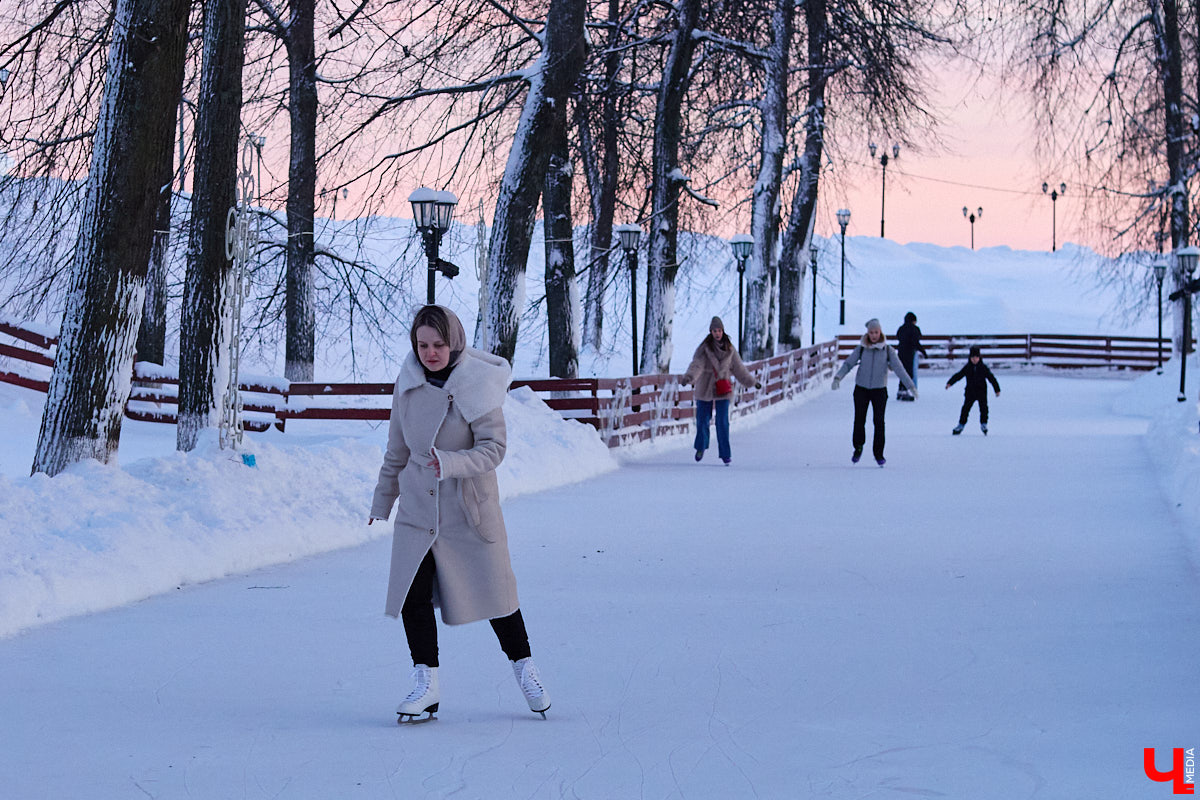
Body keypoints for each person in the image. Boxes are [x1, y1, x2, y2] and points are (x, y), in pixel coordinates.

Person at [369, 305, 550, 723]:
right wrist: (383, 501)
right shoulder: (408, 383)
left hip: (468, 508)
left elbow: (494, 449)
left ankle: (525, 669)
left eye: (439, 344)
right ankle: (426, 684)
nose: (430, 353)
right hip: (419, 507)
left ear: (455, 342)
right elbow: (397, 449)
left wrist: (449, 463)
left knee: (497, 594)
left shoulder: (479, 384)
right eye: (423, 345)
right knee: (412, 596)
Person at [831, 318, 917, 466]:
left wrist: (911, 386)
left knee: (879, 422)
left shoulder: (887, 350)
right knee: (859, 420)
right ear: (868, 333)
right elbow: (848, 363)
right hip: (861, 389)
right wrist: (838, 377)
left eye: (876, 332)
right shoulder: (861, 349)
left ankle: (879, 454)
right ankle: (858, 447)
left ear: (880, 332)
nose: (874, 335)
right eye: (871, 332)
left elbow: (899, 369)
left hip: (879, 390)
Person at [680, 316, 760, 465]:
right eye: (715, 331)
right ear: (711, 332)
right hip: (705, 387)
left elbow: (739, 369)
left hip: (723, 388)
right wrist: (689, 377)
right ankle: (701, 447)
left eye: (719, 330)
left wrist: (752, 382)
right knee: (703, 420)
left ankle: (725, 454)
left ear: (723, 331)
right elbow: (697, 365)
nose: (717, 333)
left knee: (722, 422)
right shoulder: (704, 349)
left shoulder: (729, 349)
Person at [945, 344, 1001, 435]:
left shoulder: (983, 368)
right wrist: (950, 383)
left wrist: (997, 389)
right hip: (970, 392)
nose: (974, 359)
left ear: (979, 358)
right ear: (970, 358)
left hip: (981, 392)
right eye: (973, 357)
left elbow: (991, 378)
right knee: (965, 409)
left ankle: (984, 424)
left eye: (976, 357)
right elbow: (959, 375)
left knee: (983, 408)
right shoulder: (968, 367)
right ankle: (961, 425)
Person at [894, 311, 928, 401]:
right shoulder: (915, 329)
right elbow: (916, 342)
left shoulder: (901, 328)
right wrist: (923, 352)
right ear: (914, 320)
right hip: (910, 353)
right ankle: (906, 391)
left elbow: (898, 337)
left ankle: (900, 391)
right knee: (909, 372)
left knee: (902, 371)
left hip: (901, 352)